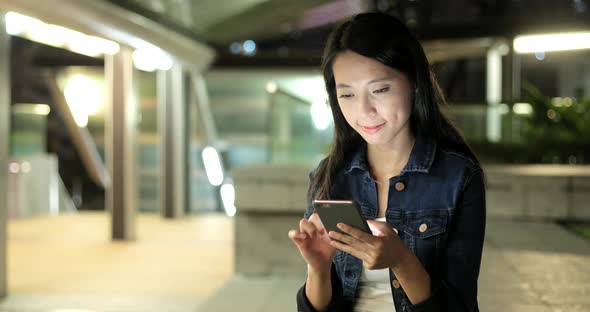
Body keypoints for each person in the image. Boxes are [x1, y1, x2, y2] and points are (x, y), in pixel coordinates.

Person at [288, 12, 486, 312]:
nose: (364, 110)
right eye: (347, 94)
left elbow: (458, 306)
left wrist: (401, 260)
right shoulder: (329, 176)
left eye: (379, 90)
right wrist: (318, 268)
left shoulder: (459, 177)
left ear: (414, 83)